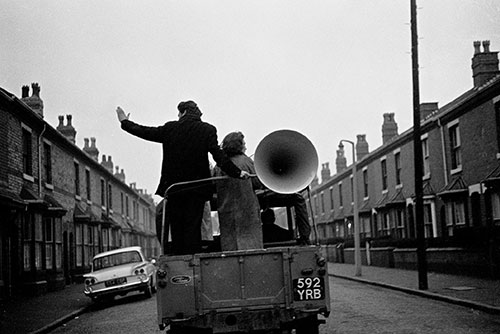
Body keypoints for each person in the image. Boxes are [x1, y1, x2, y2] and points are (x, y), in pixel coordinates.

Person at [116, 101, 250, 255]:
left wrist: (124, 122)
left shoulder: (170, 128)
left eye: (179, 113)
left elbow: (145, 132)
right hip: (197, 190)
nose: (178, 116)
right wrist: (238, 173)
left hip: (175, 190)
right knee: (193, 228)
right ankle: (193, 260)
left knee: (177, 228)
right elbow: (219, 156)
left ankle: (181, 264)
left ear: (184, 112)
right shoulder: (207, 130)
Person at [213, 131, 263, 251]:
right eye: (243, 144)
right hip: (248, 212)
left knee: (230, 246)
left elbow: (214, 186)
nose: (245, 146)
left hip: (226, 212)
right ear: (238, 145)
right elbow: (258, 183)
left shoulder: (219, 165)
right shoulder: (247, 162)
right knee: (251, 247)